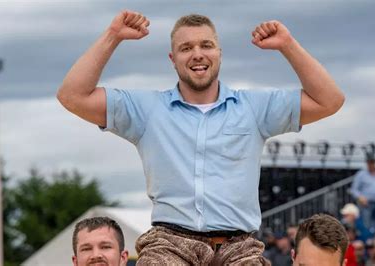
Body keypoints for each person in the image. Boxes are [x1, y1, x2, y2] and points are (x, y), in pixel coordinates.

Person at [57, 9, 344, 264]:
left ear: (219, 53)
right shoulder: (146, 110)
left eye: (206, 45)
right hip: (171, 243)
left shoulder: (254, 108)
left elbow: (330, 100)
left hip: (238, 245)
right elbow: (72, 96)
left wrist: (287, 45)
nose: (197, 53)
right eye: (186, 47)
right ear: (173, 59)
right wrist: (113, 35)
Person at [350, 155, 375, 233]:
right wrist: (360, 197)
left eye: (373, 162)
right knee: (367, 225)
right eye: (369, 163)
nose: (371, 164)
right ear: (367, 163)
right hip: (367, 204)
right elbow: (354, 189)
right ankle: (368, 242)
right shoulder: (361, 174)